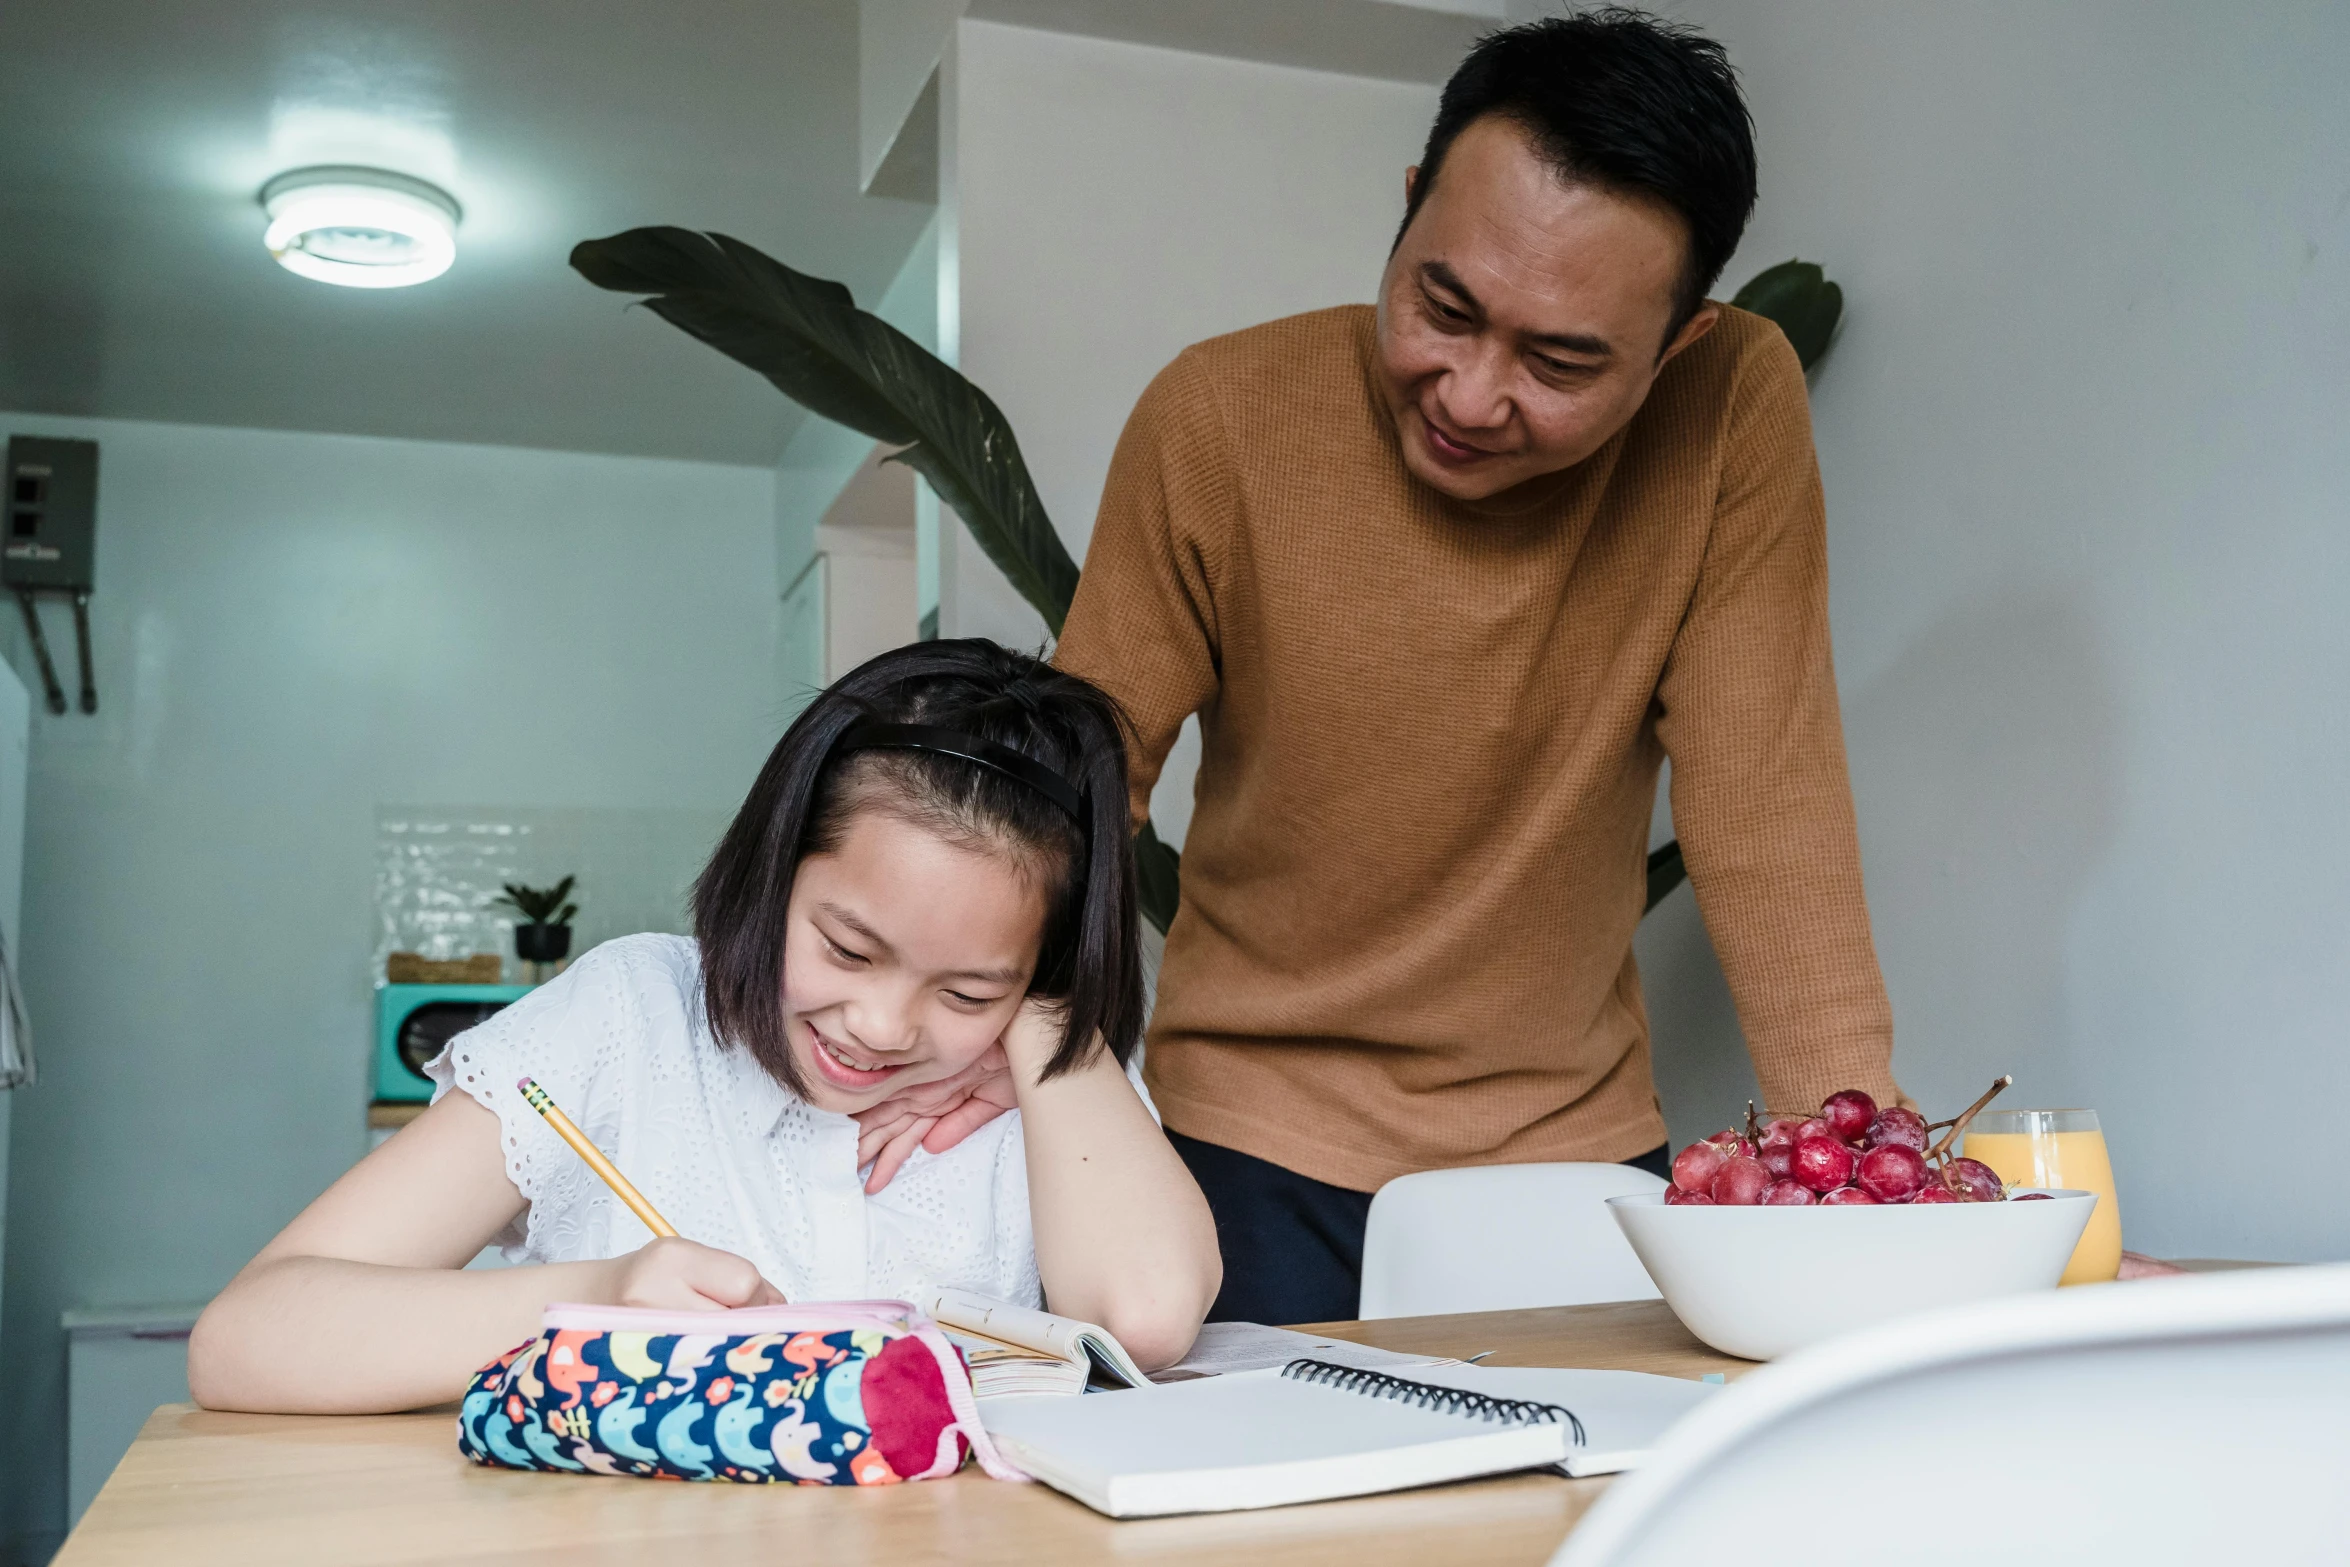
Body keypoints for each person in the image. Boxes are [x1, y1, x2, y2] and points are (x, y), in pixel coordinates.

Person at [862, 11, 1903, 1325]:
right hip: (1244, 1137)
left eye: (1562, 360)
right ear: (1409, 208)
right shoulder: (1222, 416)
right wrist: (981, 1033)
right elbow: (1086, 776)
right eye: (1442, 306)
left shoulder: (1730, 406)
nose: (1469, 395)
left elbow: (1767, 806)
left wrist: (1873, 1190)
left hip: (1566, 1155)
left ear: (1677, 343)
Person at [188, 641, 1220, 1413]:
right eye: (849, 949)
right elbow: (245, 1339)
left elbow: (1144, 1317)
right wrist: (600, 1301)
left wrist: (1043, 1022)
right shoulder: (625, 1018)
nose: (882, 1024)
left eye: (964, 990)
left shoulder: (1045, 1063)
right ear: (770, 876)